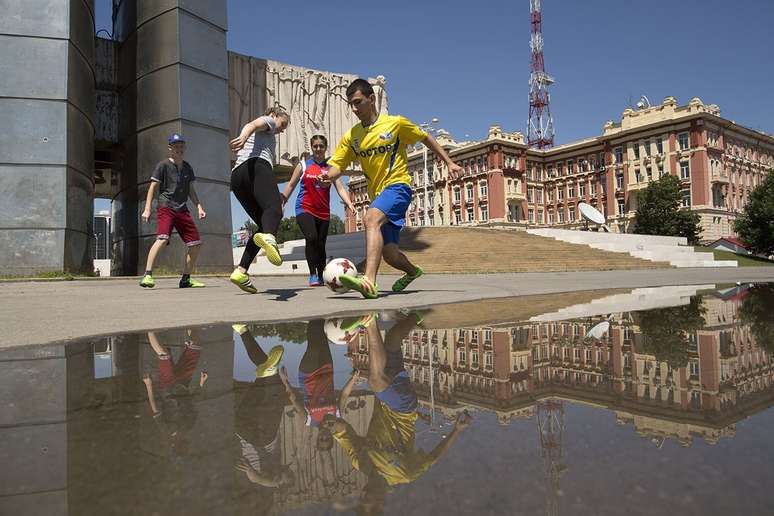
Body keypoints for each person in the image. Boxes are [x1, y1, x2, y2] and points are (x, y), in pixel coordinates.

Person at [319, 79, 463, 299]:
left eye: (358, 102)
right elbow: (338, 165)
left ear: (372, 99)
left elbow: (425, 137)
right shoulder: (353, 136)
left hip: (398, 187)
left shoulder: (395, 124)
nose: (354, 109)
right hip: (378, 195)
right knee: (390, 255)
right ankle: (413, 272)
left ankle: (369, 281)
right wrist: (326, 176)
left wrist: (449, 162)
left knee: (371, 219)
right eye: (351, 104)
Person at [326, 311, 472, 513]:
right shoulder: (405, 474)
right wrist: (457, 430)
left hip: (389, 397)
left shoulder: (360, 462)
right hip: (403, 409)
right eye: (373, 502)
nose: (367, 495)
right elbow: (433, 457)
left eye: (363, 499)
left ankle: (415, 316)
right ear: (382, 502)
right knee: (375, 380)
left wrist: (331, 424)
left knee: (392, 342)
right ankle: (370, 323)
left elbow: (343, 432)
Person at [229, 107, 290, 294]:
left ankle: (240, 271)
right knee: (276, 210)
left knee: (265, 224)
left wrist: (246, 138)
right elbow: (253, 124)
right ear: (274, 116)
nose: (282, 129)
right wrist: (244, 136)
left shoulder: (267, 134)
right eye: (283, 124)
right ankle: (270, 240)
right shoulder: (269, 121)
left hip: (237, 178)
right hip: (256, 166)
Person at [281, 135, 355, 286]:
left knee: (321, 244)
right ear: (311, 147)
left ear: (325, 147)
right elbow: (290, 185)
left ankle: (322, 275)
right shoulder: (303, 165)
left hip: (323, 211)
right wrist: (283, 200)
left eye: (321, 146)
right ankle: (313, 274)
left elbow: (340, 187)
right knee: (312, 238)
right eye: (315, 146)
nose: (318, 149)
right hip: (304, 207)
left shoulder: (331, 167)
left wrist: (349, 203)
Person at [139, 133, 207, 289]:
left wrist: (198, 206)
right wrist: (147, 209)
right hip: (166, 207)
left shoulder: (188, 167)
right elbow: (152, 188)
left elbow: (191, 189)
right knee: (162, 238)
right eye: (176, 146)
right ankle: (147, 275)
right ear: (170, 148)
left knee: (195, 244)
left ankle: (186, 279)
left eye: (181, 146)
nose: (179, 149)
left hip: (182, 209)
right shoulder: (163, 165)